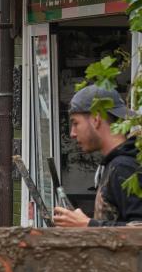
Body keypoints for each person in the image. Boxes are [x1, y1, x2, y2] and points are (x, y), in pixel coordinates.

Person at [53, 85, 142, 227]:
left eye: (76, 123)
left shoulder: (125, 167)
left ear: (96, 119)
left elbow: (139, 231)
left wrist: (87, 225)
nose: (72, 133)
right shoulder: (114, 164)